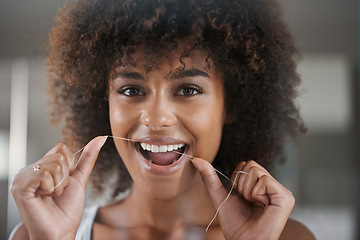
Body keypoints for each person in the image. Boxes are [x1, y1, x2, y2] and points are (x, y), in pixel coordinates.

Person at [10, 0, 316, 239]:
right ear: (104, 102)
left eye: (187, 89)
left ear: (230, 105)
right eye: (131, 89)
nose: (156, 118)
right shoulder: (37, 235)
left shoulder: (285, 237)